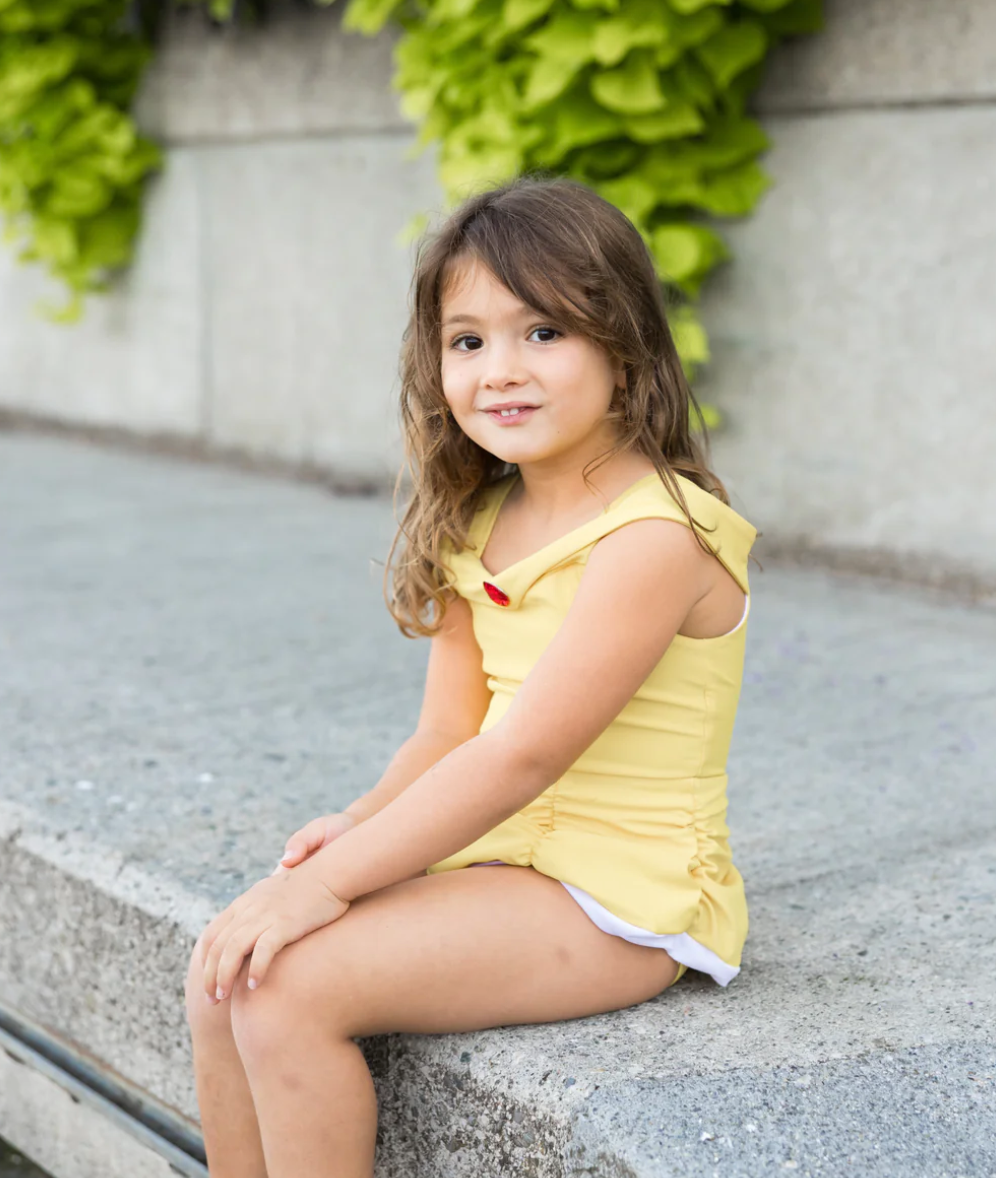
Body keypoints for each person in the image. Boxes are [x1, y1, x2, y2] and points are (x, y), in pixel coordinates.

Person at [184, 173, 760, 1178]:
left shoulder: (654, 535)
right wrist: (362, 822)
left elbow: (522, 752)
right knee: (225, 967)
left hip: (621, 897)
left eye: (544, 332)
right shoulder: (482, 520)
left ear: (623, 348)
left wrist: (326, 887)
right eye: (468, 340)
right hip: (505, 859)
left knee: (286, 985)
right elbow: (449, 734)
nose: (502, 368)